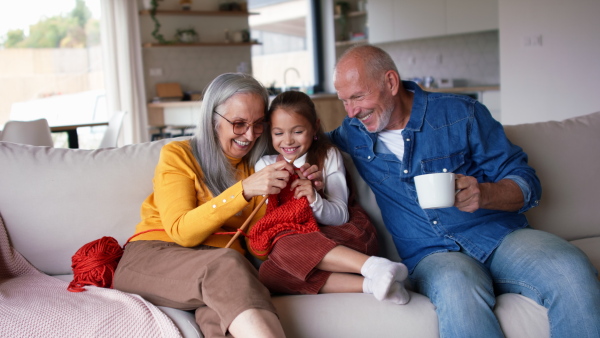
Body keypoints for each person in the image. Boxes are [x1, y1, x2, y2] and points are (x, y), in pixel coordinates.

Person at [328, 45, 600, 337]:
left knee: (570, 269)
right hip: (433, 256)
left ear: (391, 83)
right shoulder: (352, 132)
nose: (352, 111)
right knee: (459, 291)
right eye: (344, 101)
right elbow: (299, 140)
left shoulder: (462, 113)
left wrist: (485, 193)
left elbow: (526, 181)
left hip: (500, 236)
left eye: (358, 96)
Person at [113, 73, 321, 338]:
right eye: (239, 123)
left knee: (223, 322)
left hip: (219, 276)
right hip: (152, 258)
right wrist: (243, 191)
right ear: (212, 120)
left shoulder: (259, 169)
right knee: (227, 264)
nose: (250, 135)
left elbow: (259, 248)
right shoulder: (179, 155)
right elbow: (181, 231)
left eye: (259, 124)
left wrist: (304, 194)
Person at [252, 91, 410, 304]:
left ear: (315, 127)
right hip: (299, 247)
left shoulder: (328, 156)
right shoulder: (265, 165)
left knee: (282, 244)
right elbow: (271, 219)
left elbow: (341, 216)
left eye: (298, 131)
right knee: (270, 274)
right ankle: (375, 283)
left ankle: (372, 265)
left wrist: (313, 199)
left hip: (346, 236)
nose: (288, 140)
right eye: (278, 133)